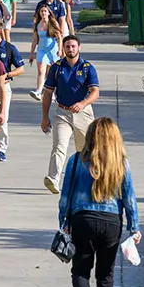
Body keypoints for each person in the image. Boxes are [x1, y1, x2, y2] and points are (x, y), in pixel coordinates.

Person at [58, 118, 140, 287]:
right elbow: (129, 197)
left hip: (82, 219)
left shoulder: (76, 161)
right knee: (106, 274)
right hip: (111, 222)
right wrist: (134, 227)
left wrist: (63, 221)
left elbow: (66, 195)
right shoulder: (121, 163)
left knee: (80, 268)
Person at [41, 35, 100, 194]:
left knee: (86, 149)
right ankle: (53, 178)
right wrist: (45, 117)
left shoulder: (88, 67)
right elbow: (47, 94)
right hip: (62, 112)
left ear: (79, 48)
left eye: (73, 46)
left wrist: (83, 103)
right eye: (67, 46)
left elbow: (95, 92)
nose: (70, 49)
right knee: (59, 146)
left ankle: (90, 180)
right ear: (64, 48)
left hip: (83, 113)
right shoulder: (57, 67)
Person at [0, 19, 24, 162]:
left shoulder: (8, 48)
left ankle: (1, 149)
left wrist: (7, 74)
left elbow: (21, 69)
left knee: (2, 118)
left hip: (4, 86)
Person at [29, 5, 63, 101]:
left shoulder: (53, 23)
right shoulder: (37, 24)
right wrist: (31, 53)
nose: (43, 13)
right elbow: (35, 40)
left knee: (51, 73)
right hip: (41, 50)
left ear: (48, 13)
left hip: (52, 50)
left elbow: (59, 37)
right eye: (41, 11)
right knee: (41, 72)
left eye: (45, 11)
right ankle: (38, 91)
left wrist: (60, 50)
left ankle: (51, 92)